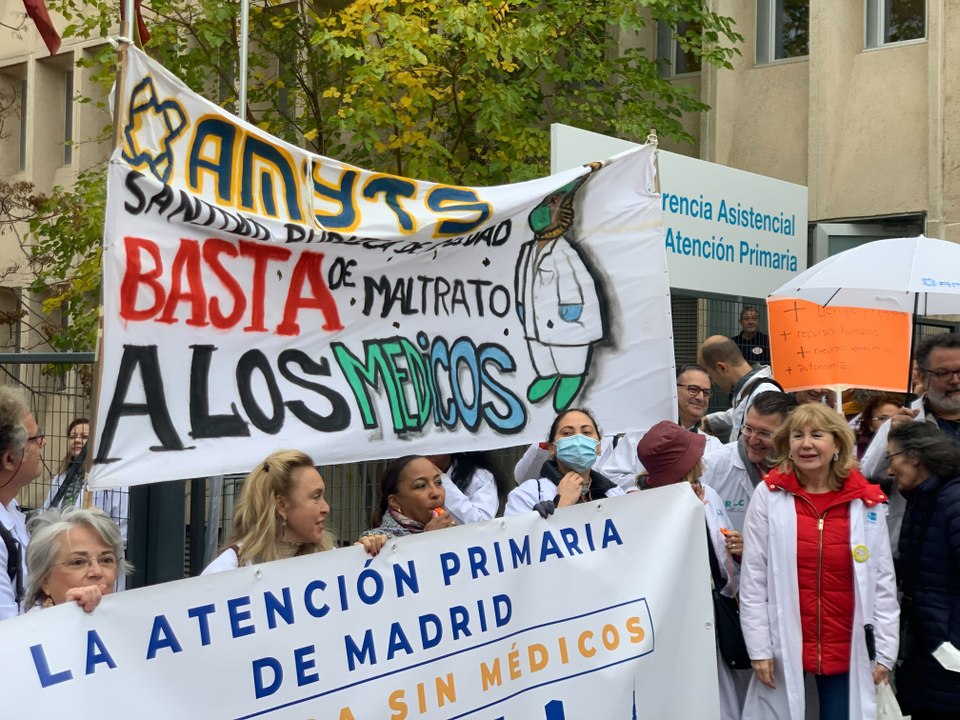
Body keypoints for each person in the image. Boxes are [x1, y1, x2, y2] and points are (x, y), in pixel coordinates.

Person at [739, 403, 898, 720]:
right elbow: (754, 579)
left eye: (817, 434)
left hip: (846, 651)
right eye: (797, 435)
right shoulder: (769, 495)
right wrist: (759, 648)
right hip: (785, 647)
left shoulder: (866, 503)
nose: (806, 443)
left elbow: (882, 583)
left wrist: (884, 652)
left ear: (837, 444)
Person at [637, 421, 747, 720]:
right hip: (674, 625)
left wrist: (737, 551)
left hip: (714, 616)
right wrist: (689, 516)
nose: (702, 458)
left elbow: (720, 550)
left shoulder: (707, 492)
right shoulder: (641, 504)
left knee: (724, 700)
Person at [204, 449, 385, 574]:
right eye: (316, 497)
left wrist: (365, 559)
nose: (326, 508)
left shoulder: (328, 556)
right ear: (281, 505)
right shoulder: (230, 569)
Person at [886, 422, 960, 719]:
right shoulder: (924, 499)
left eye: (891, 458)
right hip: (927, 653)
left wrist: (953, 645)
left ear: (914, 456)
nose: (889, 470)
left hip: (947, 659)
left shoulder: (952, 501)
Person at [861, 333, 960, 549]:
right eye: (944, 373)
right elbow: (867, 475)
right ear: (923, 377)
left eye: (959, 371)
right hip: (916, 545)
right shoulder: (903, 422)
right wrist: (891, 440)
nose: (955, 380)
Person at [598, 364, 723, 491]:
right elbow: (609, 477)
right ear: (673, 390)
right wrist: (643, 484)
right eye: (693, 389)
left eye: (706, 393)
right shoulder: (638, 435)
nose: (700, 397)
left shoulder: (715, 446)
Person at [701, 391, 798, 533]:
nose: (753, 440)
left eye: (764, 433)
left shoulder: (803, 469)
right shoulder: (712, 466)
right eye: (748, 428)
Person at [504, 407, 624, 516]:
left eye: (586, 432)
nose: (578, 440)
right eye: (567, 433)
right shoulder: (527, 494)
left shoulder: (616, 494)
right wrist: (562, 504)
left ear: (599, 446)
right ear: (552, 448)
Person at [24, 507, 130, 612]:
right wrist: (68, 615)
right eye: (78, 562)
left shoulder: (133, 621)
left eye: (106, 560)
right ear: (45, 580)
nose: (97, 571)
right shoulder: (28, 627)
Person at [0, 387, 44, 619]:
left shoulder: (11, 508)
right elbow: (7, 630)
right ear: (9, 459)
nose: (43, 443)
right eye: (36, 439)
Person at [699, 336, 782, 442]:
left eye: (711, 375)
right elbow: (741, 414)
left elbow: (758, 449)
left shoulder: (764, 393)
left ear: (721, 368)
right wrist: (709, 421)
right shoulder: (751, 389)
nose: (713, 382)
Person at [362, 455, 457, 538]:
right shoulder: (377, 541)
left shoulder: (453, 529)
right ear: (395, 501)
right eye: (421, 485)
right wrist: (428, 539)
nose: (436, 493)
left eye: (438, 482)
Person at [429, 451, 509, 524]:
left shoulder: (480, 477)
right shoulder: (418, 473)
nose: (427, 453)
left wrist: (442, 480)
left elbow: (482, 523)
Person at [42, 417, 89, 510]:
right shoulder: (60, 477)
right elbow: (45, 510)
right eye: (72, 436)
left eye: (84, 437)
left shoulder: (104, 480)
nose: (77, 440)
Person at [854, 393, 904, 460]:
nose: (890, 423)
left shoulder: (908, 449)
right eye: (883, 419)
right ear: (870, 424)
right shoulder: (855, 450)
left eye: (895, 418)